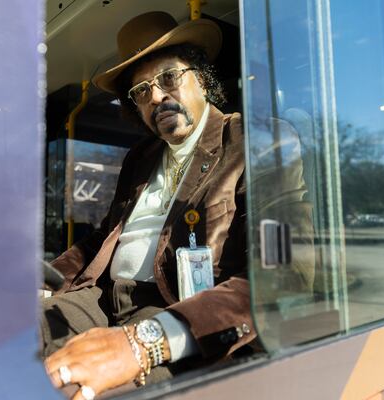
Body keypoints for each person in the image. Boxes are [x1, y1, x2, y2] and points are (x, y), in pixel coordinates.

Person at [41, 11, 313, 400]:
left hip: (181, 310)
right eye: (140, 92)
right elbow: (105, 237)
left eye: (168, 78)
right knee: (7, 336)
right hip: (101, 298)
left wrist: (144, 342)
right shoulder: (141, 157)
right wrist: (45, 280)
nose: (155, 96)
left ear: (201, 78)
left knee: (72, 387)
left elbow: (285, 274)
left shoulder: (257, 140)